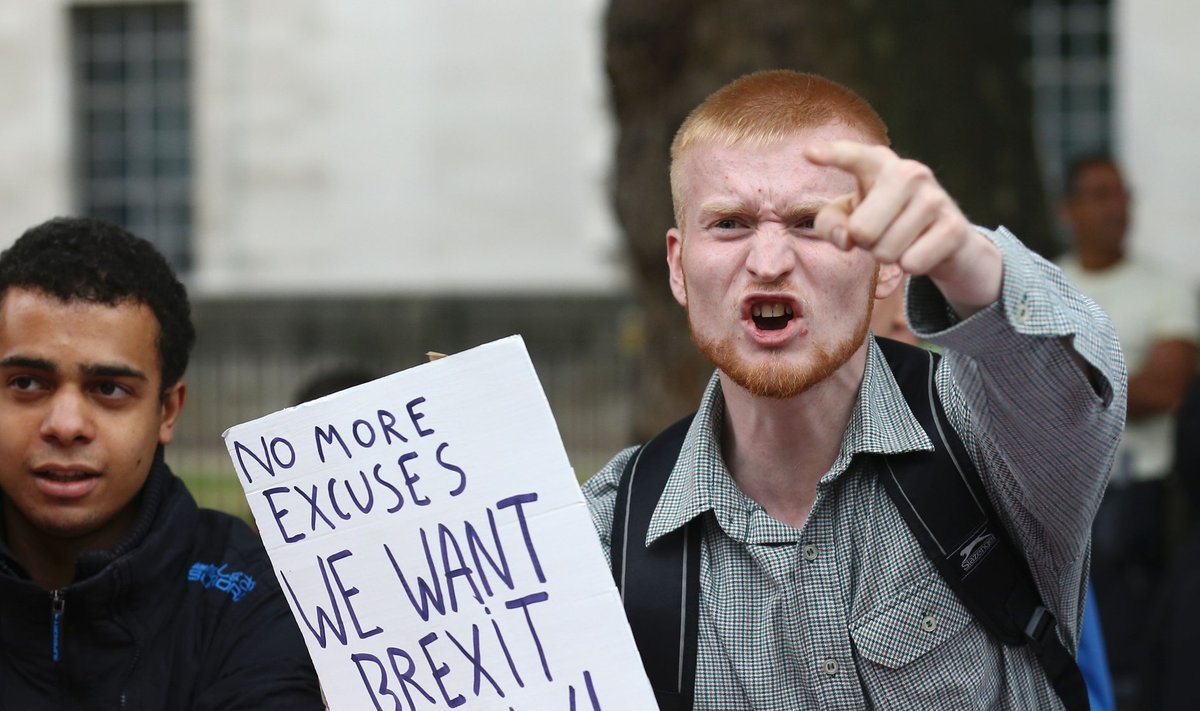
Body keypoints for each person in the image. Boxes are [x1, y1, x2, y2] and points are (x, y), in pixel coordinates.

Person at [584, 70, 1126, 709]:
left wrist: (968, 265)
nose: (768, 261)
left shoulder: (983, 441)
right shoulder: (606, 534)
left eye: (811, 222)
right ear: (678, 266)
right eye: (729, 223)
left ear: (887, 261)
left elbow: (1076, 394)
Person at [0, 218, 323, 708]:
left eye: (109, 389)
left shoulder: (250, 595)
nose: (65, 425)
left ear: (167, 410)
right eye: (26, 383)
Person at [1055, 154, 1199, 701]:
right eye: (1097, 194)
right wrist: (1119, 375)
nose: (1115, 207)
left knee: (1141, 657)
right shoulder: (1043, 285)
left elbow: (1168, 388)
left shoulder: (1165, 288)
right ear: (1066, 210)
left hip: (1142, 503)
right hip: (1063, 500)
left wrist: (1062, 373)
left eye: (1120, 193)